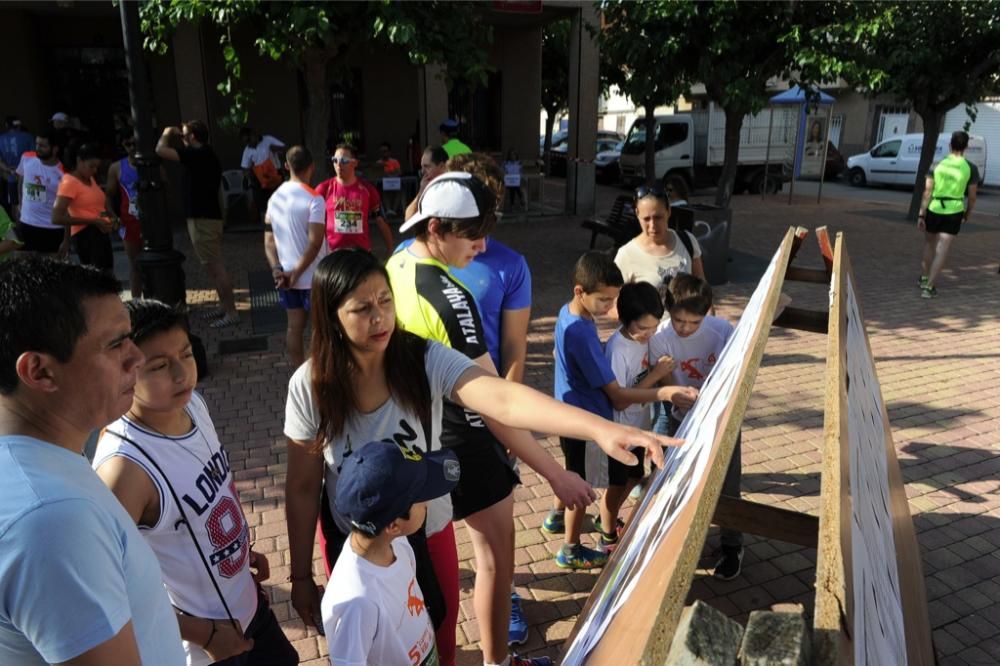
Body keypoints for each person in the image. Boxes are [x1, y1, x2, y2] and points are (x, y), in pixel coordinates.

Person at [284, 248, 678, 666]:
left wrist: (602, 428)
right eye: (362, 308)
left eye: (385, 300)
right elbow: (305, 487)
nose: (380, 317)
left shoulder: (420, 357)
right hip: (357, 542)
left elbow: (501, 399)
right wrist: (301, 576)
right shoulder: (310, 387)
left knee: (438, 636)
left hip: (426, 527)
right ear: (331, 316)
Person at [93, 299, 299, 666]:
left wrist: (238, 552)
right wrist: (204, 635)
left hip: (249, 607)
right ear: (123, 370)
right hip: (210, 648)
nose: (181, 373)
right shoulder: (123, 471)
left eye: (186, 355)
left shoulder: (192, 405)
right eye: (158, 366)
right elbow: (106, 596)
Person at [0, 257, 184, 665]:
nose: (136, 357)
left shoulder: (41, 462)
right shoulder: (53, 519)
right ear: (40, 371)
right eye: (115, 343)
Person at [396, 152, 532, 645]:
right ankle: (498, 661)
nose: (482, 244)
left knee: (442, 559)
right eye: (472, 235)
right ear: (436, 226)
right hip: (465, 432)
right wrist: (556, 472)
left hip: (419, 431)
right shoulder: (450, 297)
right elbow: (498, 401)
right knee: (496, 553)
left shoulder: (398, 260)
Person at [545, 251, 695, 568]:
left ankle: (555, 518)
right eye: (603, 300)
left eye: (613, 300)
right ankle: (571, 548)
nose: (608, 308)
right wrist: (663, 389)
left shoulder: (571, 315)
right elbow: (616, 395)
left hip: (572, 413)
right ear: (579, 291)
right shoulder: (584, 335)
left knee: (574, 472)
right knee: (582, 487)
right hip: (586, 420)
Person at [322, 441, 460, 666]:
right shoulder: (356, 602)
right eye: (420, 498)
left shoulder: (400, 544)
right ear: (394, 525)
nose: (427, 503)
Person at [649, 273, 743, 580]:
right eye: (679, 320)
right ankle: (669, 540)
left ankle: (732, 545)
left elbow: (734, 373)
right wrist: (680, 398)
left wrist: (712, 403)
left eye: (693, 322)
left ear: (707, 313)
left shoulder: (721, 330)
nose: (685, 328)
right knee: (670, 476)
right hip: (680, 413)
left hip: (720, 415)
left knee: (727, 484)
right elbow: (667, 381)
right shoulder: (661, 336)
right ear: (669, 311)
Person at [596, 281, 676, 552]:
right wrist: (656, 377)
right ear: (624, 319)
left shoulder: (646, 340)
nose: (649, 333)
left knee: (632, 477)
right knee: (615, 486)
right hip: (619, 431)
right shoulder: (618, 350)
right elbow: (618, 398)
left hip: (637, 428)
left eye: (654, 327)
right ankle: (606, 538)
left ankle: (607, 517)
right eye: (642, 328)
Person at [157, 120, 240, 326]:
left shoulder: (198, 154)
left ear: (193, 136)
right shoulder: (205, 154)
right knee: (212, 267)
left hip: (203, 219)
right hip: (205, 218)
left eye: (184, 135)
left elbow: (160, 150)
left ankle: (231, 313)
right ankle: (225, 307)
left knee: (216, 267)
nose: (182, 139)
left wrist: (167, 132)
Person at [264, 146, 327, 367]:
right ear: (312, 167)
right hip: (314, 277)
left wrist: (277, 271)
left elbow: (268, 242)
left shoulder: (274, 199)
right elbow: (315, 242)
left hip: (287, 278)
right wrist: (296, 273)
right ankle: (318, 373)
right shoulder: (315, 199)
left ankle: (298, 373)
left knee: (294, 328)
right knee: (320, 330)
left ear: (286, 166)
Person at [614, 185, 705, 305]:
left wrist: (709, 319)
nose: (652, 226)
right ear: (637, 214)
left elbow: (703, 290)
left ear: (669, 211)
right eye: (646, 219)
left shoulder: (687, 241)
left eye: (658, 217)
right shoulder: (626, 254)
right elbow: (614, 304)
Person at [917, 130, 979, 299]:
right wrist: (968, 212)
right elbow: (972, 196)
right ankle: (929, 288)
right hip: (954, 211)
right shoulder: (971, 168)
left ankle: (923, 278)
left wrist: (921, 214)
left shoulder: (936, 164)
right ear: (966, 147)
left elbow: (927, 191)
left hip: (934, 208)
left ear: (950, 145)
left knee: (929, 244)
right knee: (942, 249)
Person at [316, 143, 393, 256]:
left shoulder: (368, 190)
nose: (338, 164)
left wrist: (391, 250)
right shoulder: (324, 189)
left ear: (355, 163)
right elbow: (312, 224)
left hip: (361, 255)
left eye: (344, 161)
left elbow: (381, 221)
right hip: (333, 254)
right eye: (335, 160)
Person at [52, 142, 117, 273]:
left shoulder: (90, 179)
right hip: (86, 235)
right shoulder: (69, 182)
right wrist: (93, 221)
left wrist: (112, 216)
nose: (94, 171)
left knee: (107, 274)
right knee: (98, 278)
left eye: (97, 167)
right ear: (79, 161)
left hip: (100, 231)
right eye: (91, 166)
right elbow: (57, 217)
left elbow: (99, 204)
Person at [13, 129, 68, 256]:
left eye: (43, 146)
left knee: (51, 271)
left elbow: (68, 211)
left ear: (55, 149)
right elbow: (21, 180)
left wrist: (66, 240)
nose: (38, 148)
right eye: (37, 144)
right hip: (26, 225)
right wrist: (20, 204)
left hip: (52, 229)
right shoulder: (26, 157)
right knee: (22, 268)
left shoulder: (64, 173)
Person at [105, 130, 144, 297]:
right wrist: (113, 216)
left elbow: (166, 188)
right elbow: (108, 195)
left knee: (153, 263)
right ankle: (137, 303)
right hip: (129, 222)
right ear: (123, 146)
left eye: (135, 143)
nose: (132, 147)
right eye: (128, 144)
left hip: (151, 220)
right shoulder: (117, 168)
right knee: (135, 264)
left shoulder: (149, 163)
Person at [239, 127, 285, 223]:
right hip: (260, 178)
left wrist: (275, 149)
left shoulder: (267, 140)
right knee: (262, 202)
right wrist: (249, 176)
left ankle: (281, 222)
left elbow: (283, 148)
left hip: (274, 174)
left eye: (249, 140)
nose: (248, 144)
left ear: (253, 135)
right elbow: (245, 167)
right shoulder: (248, 150)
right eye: (246, 142)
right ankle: (266, 224)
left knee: (278, 200)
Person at [404, 145, 449, 220]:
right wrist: (421, 192)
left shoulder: (453, 188)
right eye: (422, 167)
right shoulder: (428, 188)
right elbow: (408, 219)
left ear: (442, 167)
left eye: (427, 167)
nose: (422, 171)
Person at [0, 116, 34, 216]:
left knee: (13, 203)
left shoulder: (1, 139)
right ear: (19, 125)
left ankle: (16, 226)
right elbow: (34, 157)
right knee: (28, 203)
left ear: (7, 125)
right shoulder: (28, 137)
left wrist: (8, 169)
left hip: (9, 176)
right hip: (27, 177)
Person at [376, 141, 403, 217]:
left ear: (389, 152)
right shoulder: (378, 163)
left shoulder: (395, 162)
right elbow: (378, 175)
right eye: (382, 151)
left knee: (400, 190)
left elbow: (399, 173)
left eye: (385, 151)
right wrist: (391, 173)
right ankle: (388, 210)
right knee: (383, 189)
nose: (383, 153)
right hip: (383, 185)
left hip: (395, 184)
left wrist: (388, 174)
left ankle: (393, 210)